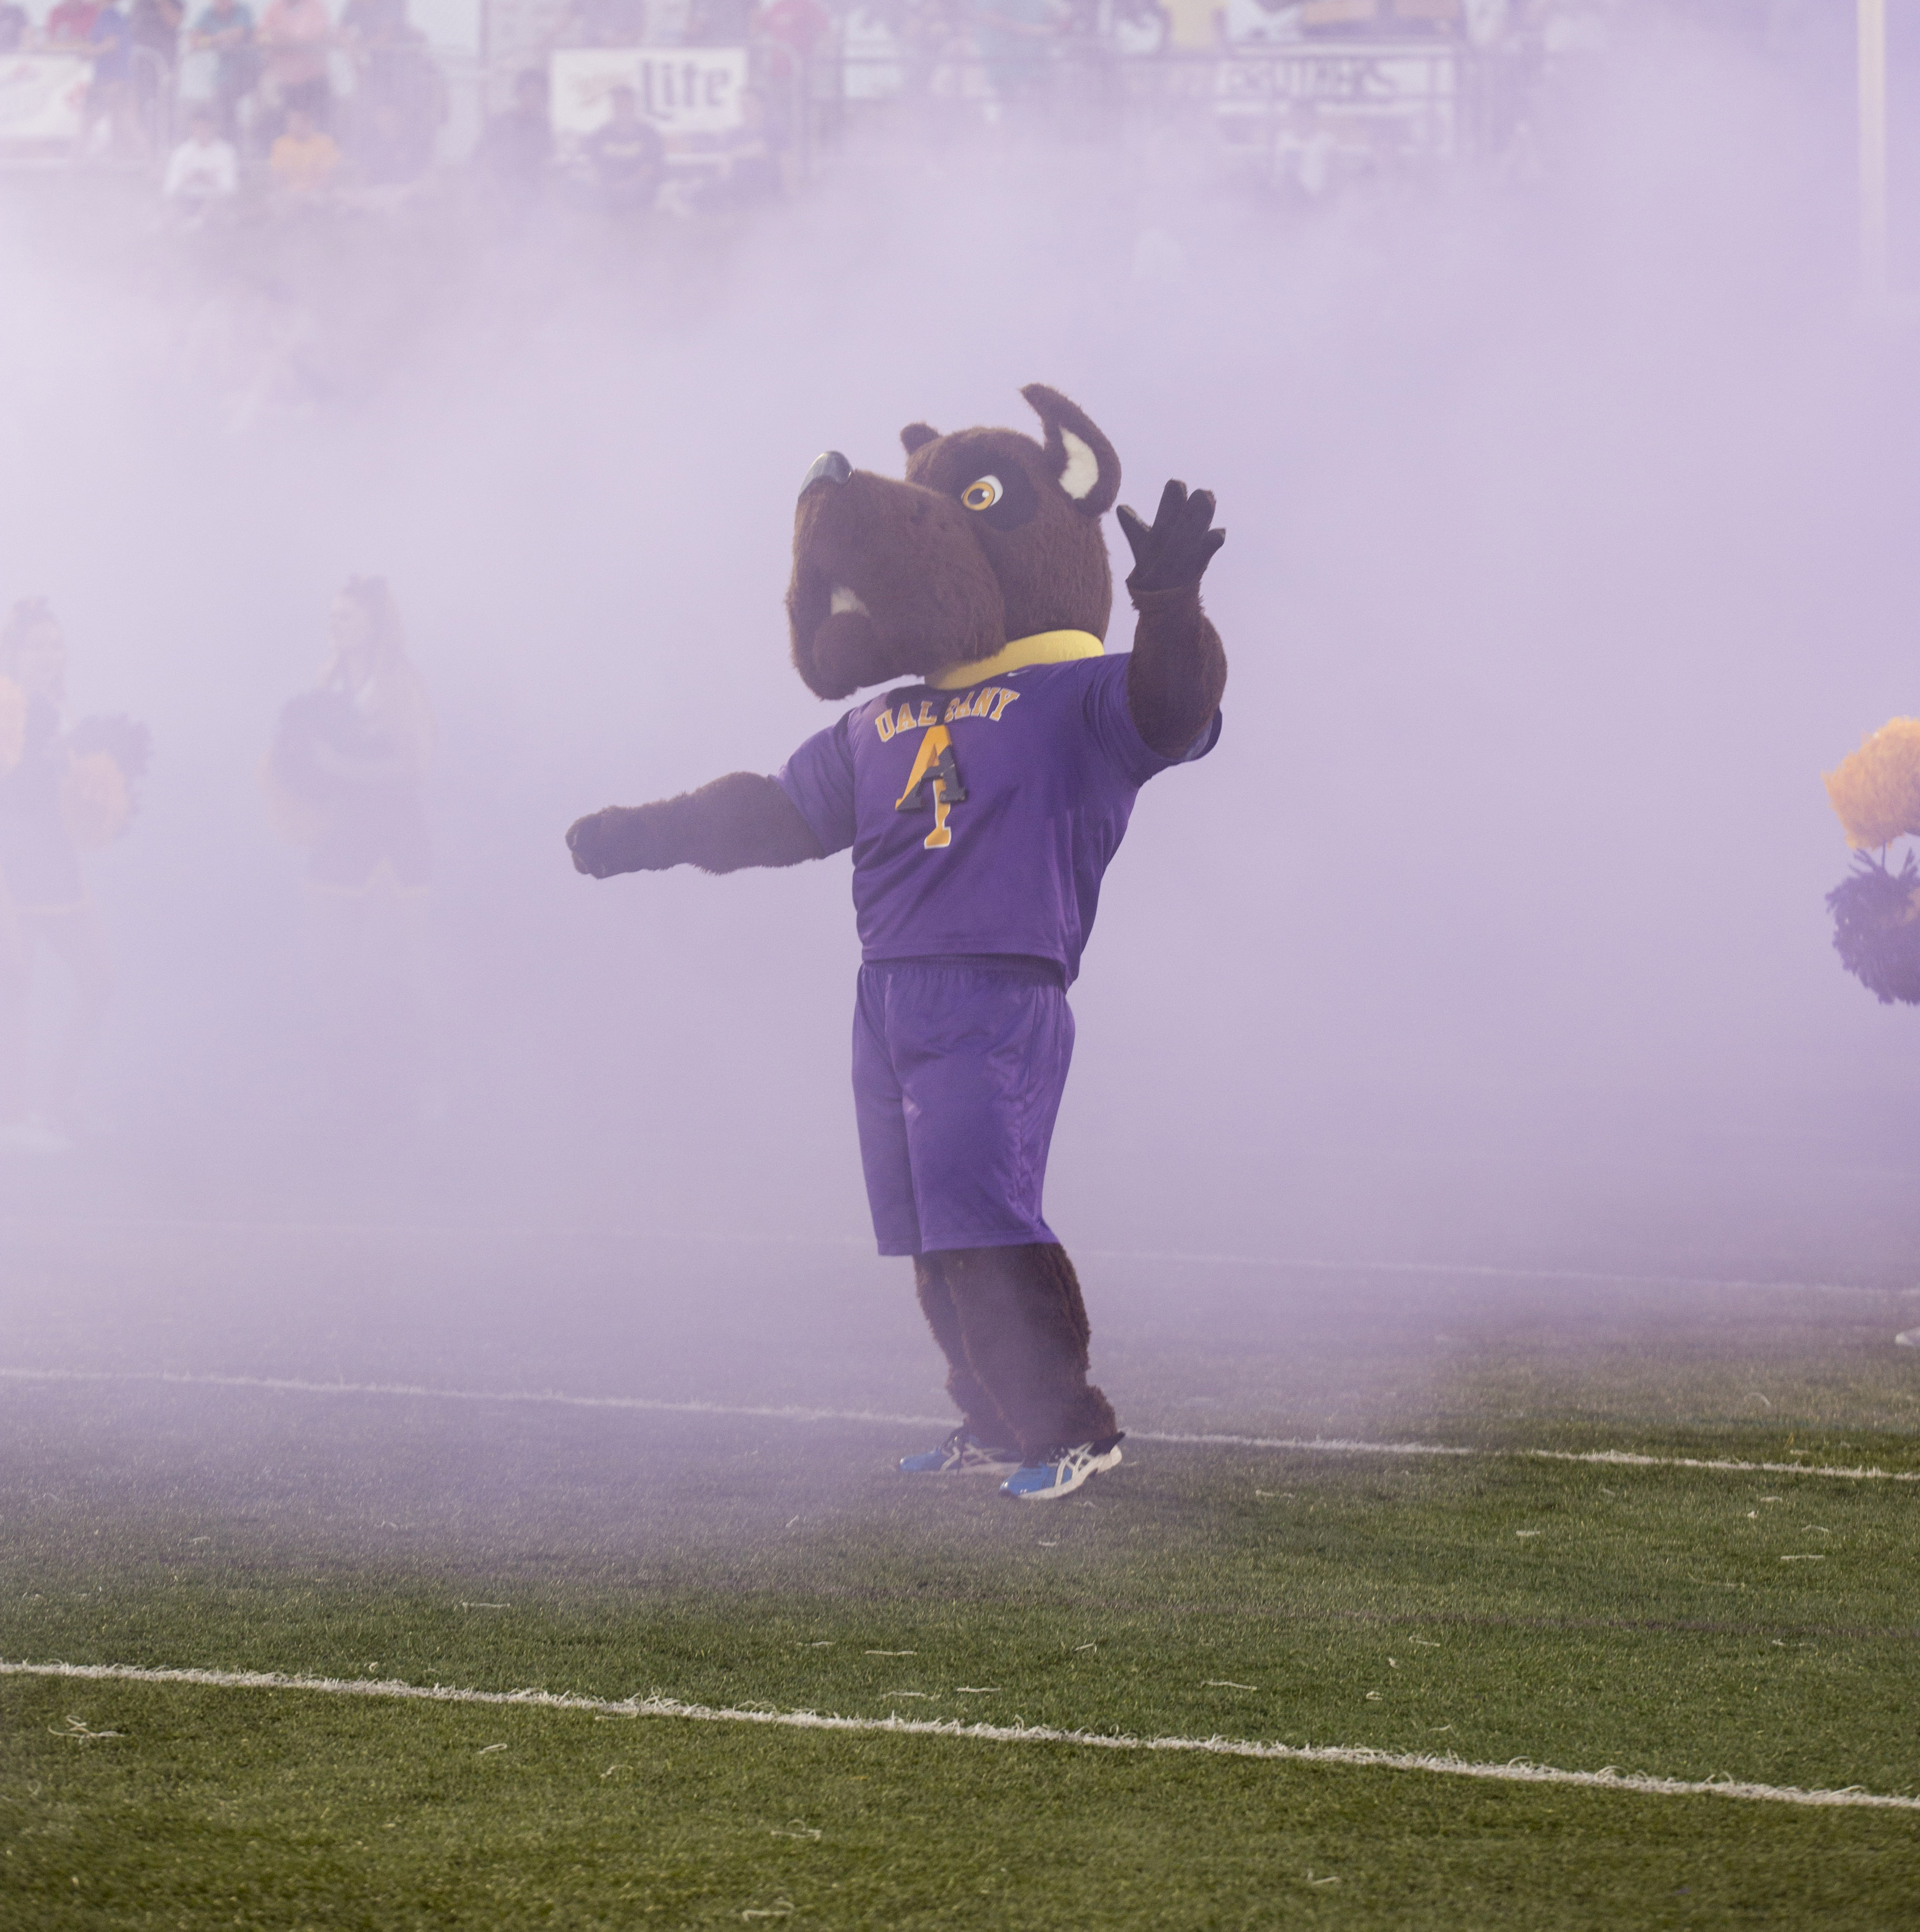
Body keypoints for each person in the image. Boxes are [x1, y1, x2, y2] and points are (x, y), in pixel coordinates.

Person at [266, 577, 437, 1126]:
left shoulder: (399, 684)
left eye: (348, 617)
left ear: (375, 624)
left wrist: (340, 769)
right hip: (343, 838)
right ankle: (340, 1089)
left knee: (400, 969)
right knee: (333, 967)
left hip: (394, 839)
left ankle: (414, 1089)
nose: (335, 625)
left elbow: (415, 768)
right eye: (333, 616)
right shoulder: (329, 678)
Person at [0, 602, 123, 1156]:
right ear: (14, 651)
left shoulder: (60, 705)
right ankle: (13, 1117)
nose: (48, 655)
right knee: (13, 992)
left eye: (56, 644)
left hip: (58, 869)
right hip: (14, 869)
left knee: (99, 978)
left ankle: (58, 1099)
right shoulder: (8, 705)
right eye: (35, 645)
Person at [475, 66, 551, 211]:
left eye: (540, 95)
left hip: (532, 198)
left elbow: (545, 166)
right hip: (498, 195)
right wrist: (497, 198)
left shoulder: (543, 127)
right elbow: (479, 160)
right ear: (520, 93)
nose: (534, 99)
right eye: (530, 93)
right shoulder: (501, 123)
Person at [584, 83, 663, 211]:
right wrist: (599, 183)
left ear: (633, 106)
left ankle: (611, 206)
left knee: (637, 192)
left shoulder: (648, 134)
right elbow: (594, 165)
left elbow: (650, 171)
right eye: (617, 104)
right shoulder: (602, 133)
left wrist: (623, 186)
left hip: (635, 187)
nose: (621, 108)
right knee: (574, 185)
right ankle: (607, 204)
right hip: (606, 187)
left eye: (625, 103)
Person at [258, 0, 332, 132]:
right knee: (285, 127)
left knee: (320, 125)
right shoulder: (275, 8)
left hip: (314, 78)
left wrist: (285, 38)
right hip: (286, 81)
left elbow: (318, 35)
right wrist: (296, 40)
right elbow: (263, 35)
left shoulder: (315, 6)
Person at [187, 0, 256, 135]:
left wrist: (210, 40)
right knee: (221, 107)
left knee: (231, 104)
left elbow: (239, 34)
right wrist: (217, 39)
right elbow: (193, 40)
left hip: (249, 71)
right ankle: (227, 142)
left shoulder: (243, 11)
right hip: (224, 74)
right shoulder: (207, 14)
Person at [164, 102, 239, 198]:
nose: (201, 131)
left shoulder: (226, 152)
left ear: (214, 127)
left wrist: (212, 180)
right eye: (197, 127)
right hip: (185, 203)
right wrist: (187, 179)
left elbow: (232, 189)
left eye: (205, 127)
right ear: (192, 128)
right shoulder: (181, 153)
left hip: (216, 203)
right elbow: (168, 189)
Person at [269, 101, 339, 191]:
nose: (298, 124)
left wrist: (308, 191)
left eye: (303, 120)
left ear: (311, 122)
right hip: (289, 195)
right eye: (293, 120)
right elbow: (277, 177)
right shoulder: (281, 145)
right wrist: (288, 192)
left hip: (318, 194)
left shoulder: (324, 143)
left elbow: (327, 177)